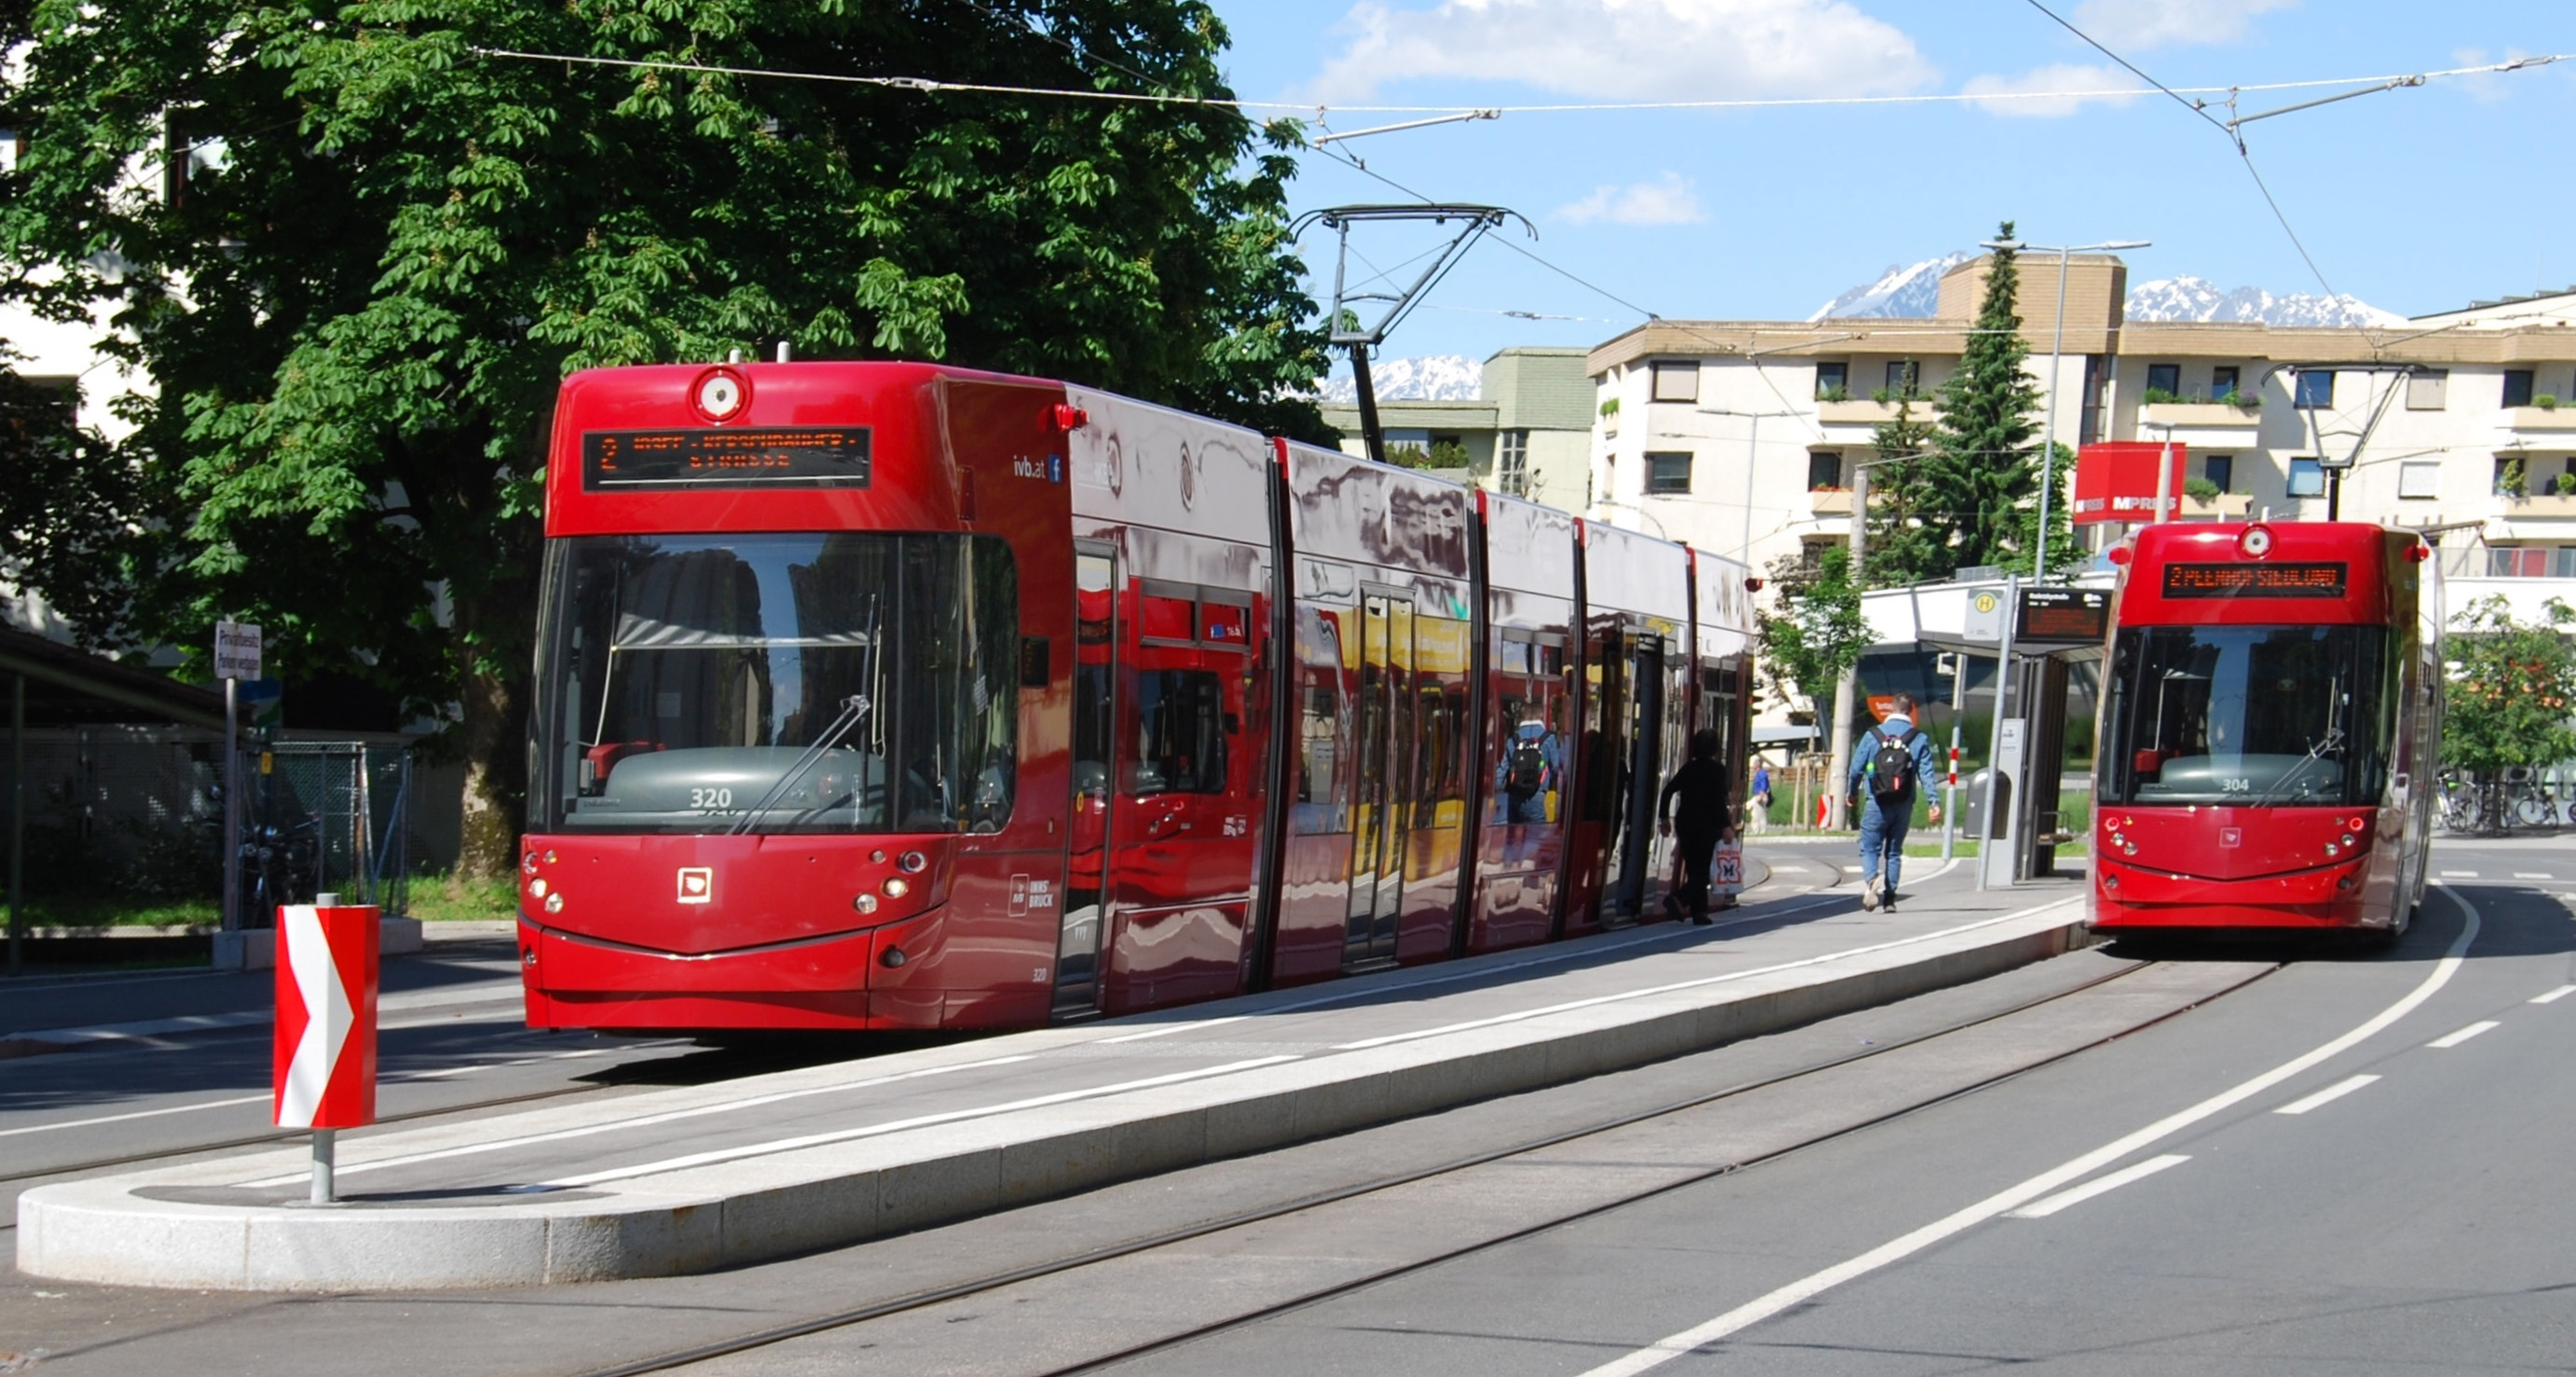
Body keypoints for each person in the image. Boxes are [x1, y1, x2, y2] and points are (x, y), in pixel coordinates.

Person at [1845, 693, 1941, 912]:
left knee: (1869, 848)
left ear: (1891, 709)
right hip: (1904, 804)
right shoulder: (1919, 738)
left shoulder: (1873, 736)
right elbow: (1926, 774)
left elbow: (1855, 769)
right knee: (1894, 852)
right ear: (1911, 711)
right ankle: (1890, 900)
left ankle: (1871, 879)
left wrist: (1852, 793)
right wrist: (1933, 802)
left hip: (1876, 801)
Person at [1657, 728, 1735, 925]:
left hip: (1685, 823)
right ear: (1715, 748)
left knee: (1694, 868)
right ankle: (1678, 898)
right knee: (1704, 873)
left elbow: (1667, 791)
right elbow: (1718, 802)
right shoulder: (1717, 770)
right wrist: (1726, 826)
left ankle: (1699, 912)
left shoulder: (1688, 768)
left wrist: (1664, 818)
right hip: (1706, 826)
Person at [1747, 760, 1773, 835]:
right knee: (1757, 813)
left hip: (1760, 795)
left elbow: (1764, 784)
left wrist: (1761, 795)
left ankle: (1759, 830)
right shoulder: (1760, 773)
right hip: (1758, 795)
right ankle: (1759, 830)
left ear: (1757, 765)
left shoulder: (1761, 773)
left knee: (1758, 814)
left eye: (1754, 764)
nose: (1753, 766)